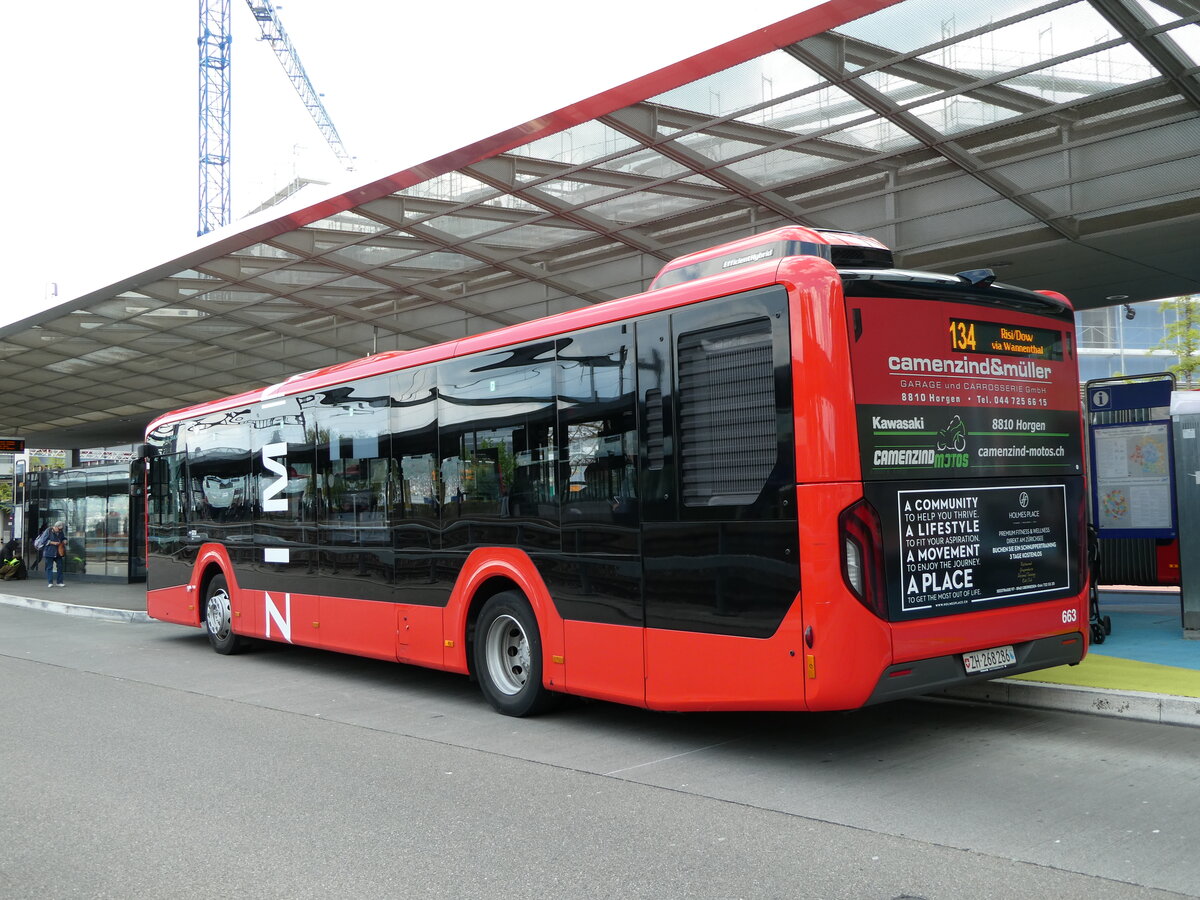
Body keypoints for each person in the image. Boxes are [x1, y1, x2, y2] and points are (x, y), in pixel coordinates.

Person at [42, 521, 67, 588]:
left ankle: (59, 582)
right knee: (49, 567)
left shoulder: (61, 532)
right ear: (55, 527)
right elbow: (43, 541)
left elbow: (63, 538)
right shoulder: (48, 531)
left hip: (58, 552)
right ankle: (50, 582)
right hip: (49, 552)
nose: (60, 530)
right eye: (59, 529)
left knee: (60, 566)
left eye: (61, 529)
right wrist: (52, 542)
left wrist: (64, 540)